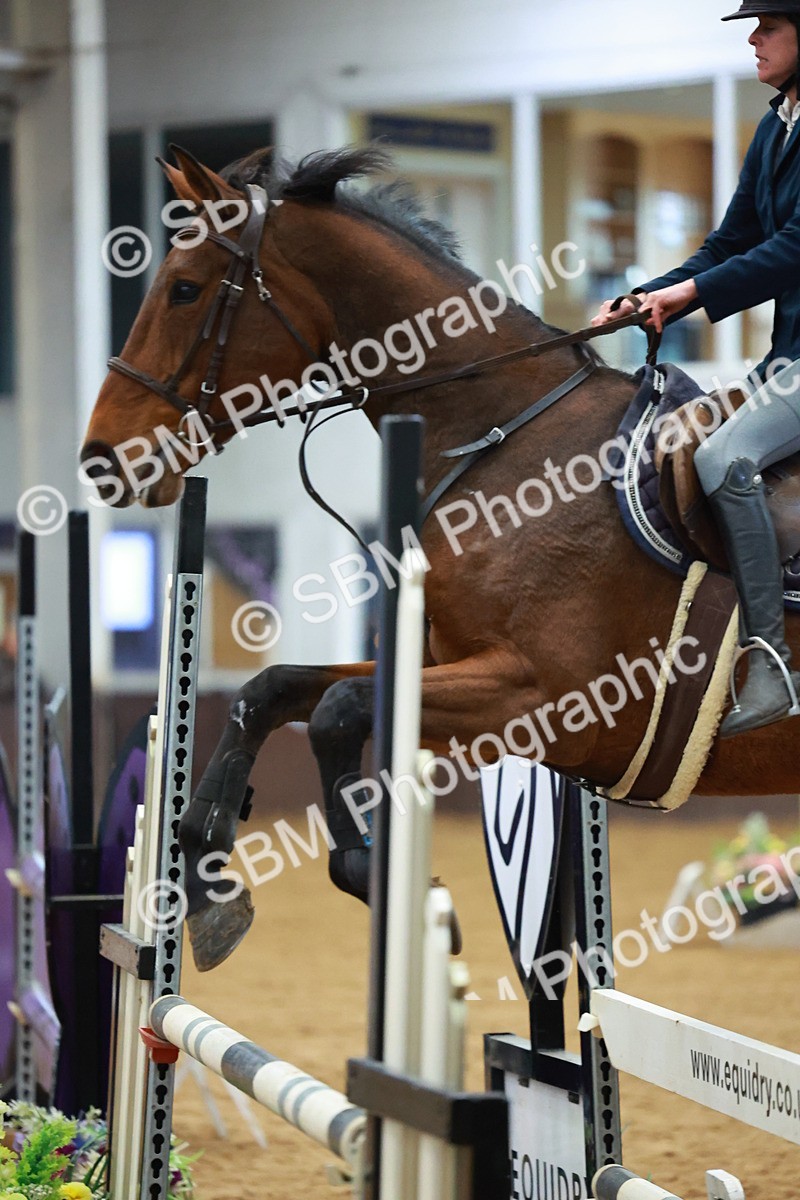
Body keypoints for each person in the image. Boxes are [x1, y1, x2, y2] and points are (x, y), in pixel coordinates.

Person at [592, 0, 800, 737]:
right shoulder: (776, 126)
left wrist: (690, 295)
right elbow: (732, 241)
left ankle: (771, 664)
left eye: (769, 27)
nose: (754, 39)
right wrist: (650, 296)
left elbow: (792, 248)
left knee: (722, 458)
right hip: (787, 358)